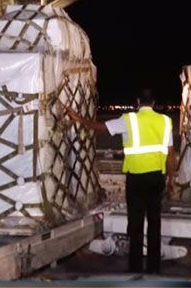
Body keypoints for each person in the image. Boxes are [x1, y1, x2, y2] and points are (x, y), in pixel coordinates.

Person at [65, 88, 177, 274]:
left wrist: (79, 119)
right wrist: (171, 179)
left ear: (137, 102)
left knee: (135, 224)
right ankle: (154, 268)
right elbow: (171, 154)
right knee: (155, 223)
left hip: (137, 177)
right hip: (157, 177)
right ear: (154, 102)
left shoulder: (129, 120)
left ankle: (135, 269)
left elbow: (102, 127)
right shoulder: (165, 121)